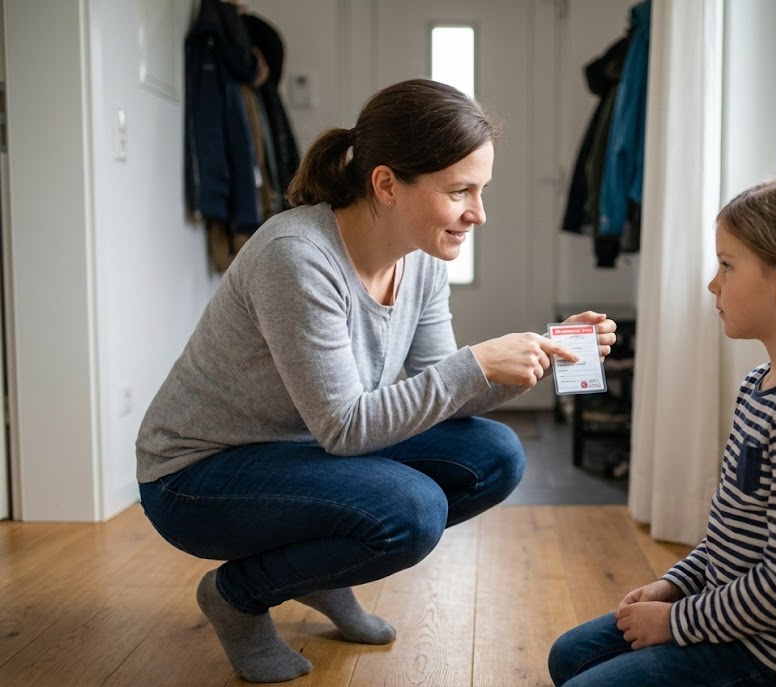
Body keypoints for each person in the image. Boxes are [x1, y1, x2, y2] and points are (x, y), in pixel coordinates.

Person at [136, 78, 617, 684]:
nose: (479, 213)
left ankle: (321, 574)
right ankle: (236, 596)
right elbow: (347, 427)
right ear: (386, 184)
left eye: (482, 190)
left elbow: (436, 394)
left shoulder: (419, 257)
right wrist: (478, 362)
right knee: (410, 510)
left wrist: (539, 355)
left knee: (493, 454)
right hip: (196, 477)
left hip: (303, 450)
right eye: (460, 191)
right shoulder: (297, 256)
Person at [548, 175, 776, 686]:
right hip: (734, 625)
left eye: (727, 266)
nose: (713, 283)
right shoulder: (761, 385)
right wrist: (674, 584)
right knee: (569, 657)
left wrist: (674, 622)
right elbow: (733, 535)